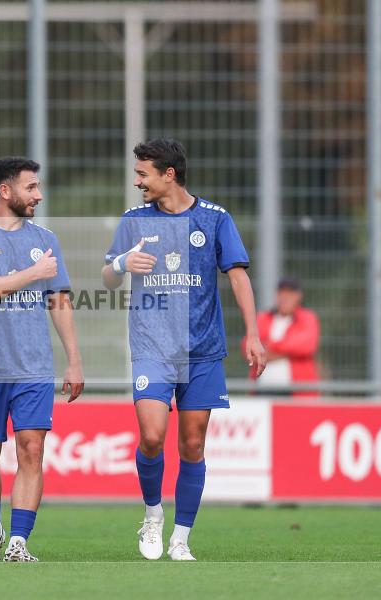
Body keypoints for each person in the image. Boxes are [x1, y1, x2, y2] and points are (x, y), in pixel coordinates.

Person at [101, 138, 266, 561]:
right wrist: (122, 265)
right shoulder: (134, 220)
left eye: (143, 174)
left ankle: (181, 539)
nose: (137, 181)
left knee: (192, 445)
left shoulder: (215, 218)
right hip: (152, 347)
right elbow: (107, 276)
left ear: (168, 174)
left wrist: (252, 333)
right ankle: (153, 515)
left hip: (203, 350)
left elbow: (238, 276)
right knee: (152, 437)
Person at [0, 157, 84, 562]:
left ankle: (18, 543)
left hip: (34, 367)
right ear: (5, 191)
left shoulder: (45, 237)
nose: (38, 195)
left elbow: (58, 300)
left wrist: (74, 360)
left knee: (31, 450)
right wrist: (32, 272)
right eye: (31, 187)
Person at [246, 277, 320, 397]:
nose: (285, 297)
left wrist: (270, 348)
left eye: (290, 293)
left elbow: (307, 345)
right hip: (263, 390)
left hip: (297, 392)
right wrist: (288, 352)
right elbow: (249, 349)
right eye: (282, 292)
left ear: (298, 296)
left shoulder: (307, 318)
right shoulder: (263, 318)